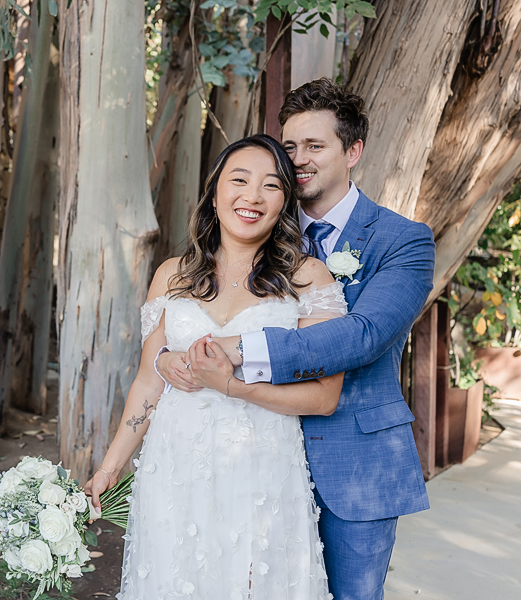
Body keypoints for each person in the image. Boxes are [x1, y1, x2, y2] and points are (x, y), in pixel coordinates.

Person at [157, 79, 435, 600]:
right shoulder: (253, 223)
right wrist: (172, 357)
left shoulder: (402, 241)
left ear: (352, 152)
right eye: (289, 146)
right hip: (253, 463)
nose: (298, 159)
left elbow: (365, 335)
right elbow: (189, 315)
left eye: (315, 146)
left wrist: (237, 348)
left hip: (353, 466)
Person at [84, 134, 346, 599]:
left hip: (263, 471)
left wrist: (231, 386)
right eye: (239, 180)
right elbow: (149, 380)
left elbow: (324, 398)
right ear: (215, 191)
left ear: (285, 201)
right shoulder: (173, 274)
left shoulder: (308, 279)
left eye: (271, 185)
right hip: (174, 467)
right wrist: (109, 468)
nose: (252, 196)